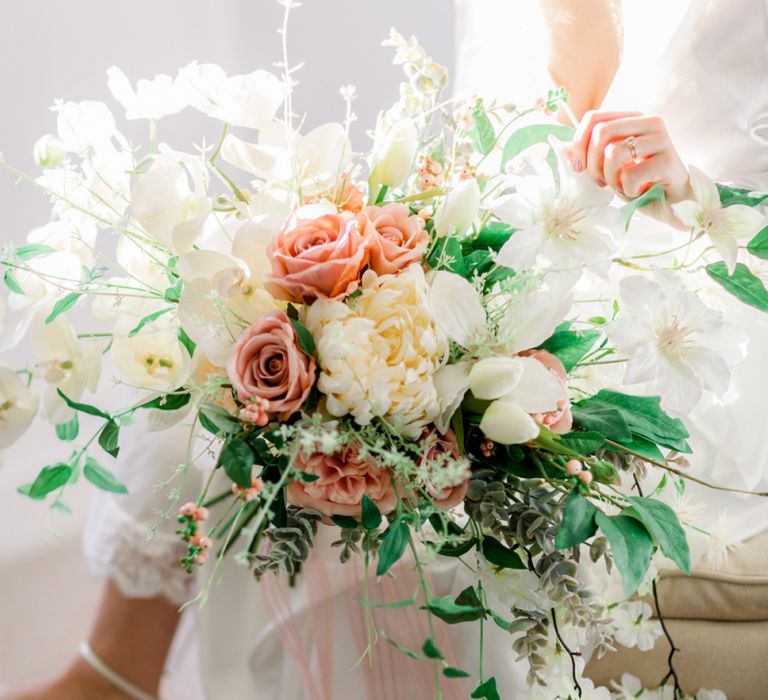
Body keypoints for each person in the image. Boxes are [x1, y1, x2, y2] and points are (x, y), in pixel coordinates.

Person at [5, 1, 768, 698]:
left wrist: (697, 194)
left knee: (387, 452)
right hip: (534, 259)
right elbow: (522, 130)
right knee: (235, 351)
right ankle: (112, 669)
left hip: (701, 324)